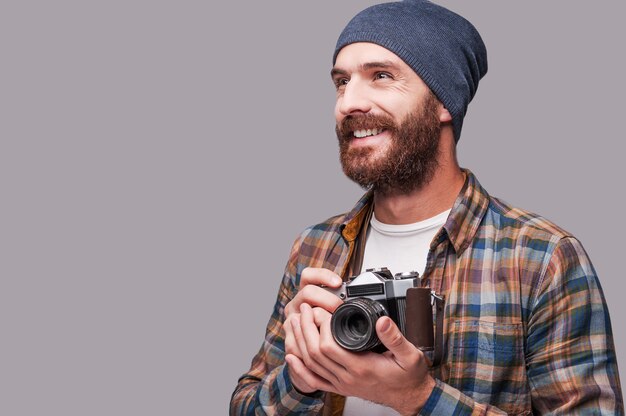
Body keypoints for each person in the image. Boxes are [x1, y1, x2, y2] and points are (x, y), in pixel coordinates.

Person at [230, 0, 624, 414]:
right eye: (342, 82)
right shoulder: (315, 248)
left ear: (443, 103)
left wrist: (419, 398)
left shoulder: (541, 258)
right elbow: (244, 406)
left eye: (381, 76)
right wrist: (299, 378)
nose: (348, 103)